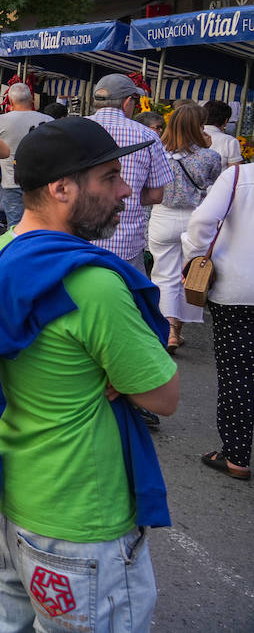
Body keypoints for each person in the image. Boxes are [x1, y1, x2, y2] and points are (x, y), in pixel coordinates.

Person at [0, 117, 179, 630]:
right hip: (82, 518)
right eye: (111, 178)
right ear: (61, 188)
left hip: (16, 501)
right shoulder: (92, 284)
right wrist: (120, 376)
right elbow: (162, 395)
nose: (126, 191)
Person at [183, 159, 254, 481]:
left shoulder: (240, 176)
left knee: (237, 371)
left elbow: (203, 219)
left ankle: (237, 453)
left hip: (238, 289)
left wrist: (195, 256)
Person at [148, 104, 222, 353]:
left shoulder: (156, 152)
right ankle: (176, 331)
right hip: (195, 217)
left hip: (162, 216)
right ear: (197, 127)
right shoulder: (209, 156)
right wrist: (207, 149)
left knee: (164, 276)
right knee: (190, 275)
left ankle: (167, 329)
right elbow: (213, 187)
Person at [88, 74, 172, 271]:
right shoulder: (147, 135)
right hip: (125, 242)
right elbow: (156, 195)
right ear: (127, 102)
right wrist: (128, 198)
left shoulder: (73, 129)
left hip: (78, 238)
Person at [0, 83, 53, 229]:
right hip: (41, 182)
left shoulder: (2, 120)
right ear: (32, 100)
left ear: (10, 102)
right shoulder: (49, 120)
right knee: (41, 226)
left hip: (12, 181)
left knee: (15, 227)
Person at [203, 101, 243, 168]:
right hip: (222, 178)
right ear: (226, 121)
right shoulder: (230, 141)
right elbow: (235, 171)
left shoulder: (190, 136)